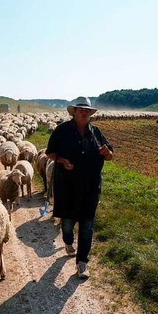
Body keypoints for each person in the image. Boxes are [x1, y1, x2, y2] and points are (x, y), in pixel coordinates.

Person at [46, 96, 114, 279]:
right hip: (67, 186)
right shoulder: (61, 131)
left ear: (90, 113)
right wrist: (63, 160)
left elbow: (110, 154)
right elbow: (50, 152)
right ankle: (68, 241)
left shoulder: (96, 133)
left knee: (87, 225)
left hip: (91, 187)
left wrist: (108, 153)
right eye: (80, 109)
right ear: (74, 112)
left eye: (87, 110)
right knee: (67, 223)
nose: (84, 112)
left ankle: (82, 262)